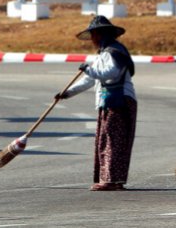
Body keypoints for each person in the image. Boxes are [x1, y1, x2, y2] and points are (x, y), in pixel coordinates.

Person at [55, 15, 137, 191]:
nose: (92, 39)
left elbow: (111, 72)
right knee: (107, 139)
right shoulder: (103, 54)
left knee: (112, 140)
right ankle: (112, 179)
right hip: (110, 101)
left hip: (119, 100)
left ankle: (111, 180)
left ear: (101, 34)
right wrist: (67, 93)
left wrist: (89, 69)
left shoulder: (114, 52)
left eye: (93, 35)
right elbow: (89, 79)